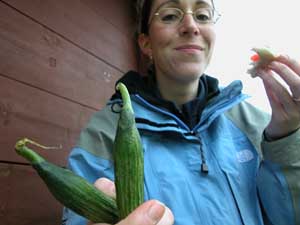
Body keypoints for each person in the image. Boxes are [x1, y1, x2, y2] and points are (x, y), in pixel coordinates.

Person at [62, 0, 300, 224]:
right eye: (170, 15)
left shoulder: (258, 124)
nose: (191, 26)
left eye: (202, 15)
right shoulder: (105, 133)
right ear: (145, 43)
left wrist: (287, 142)